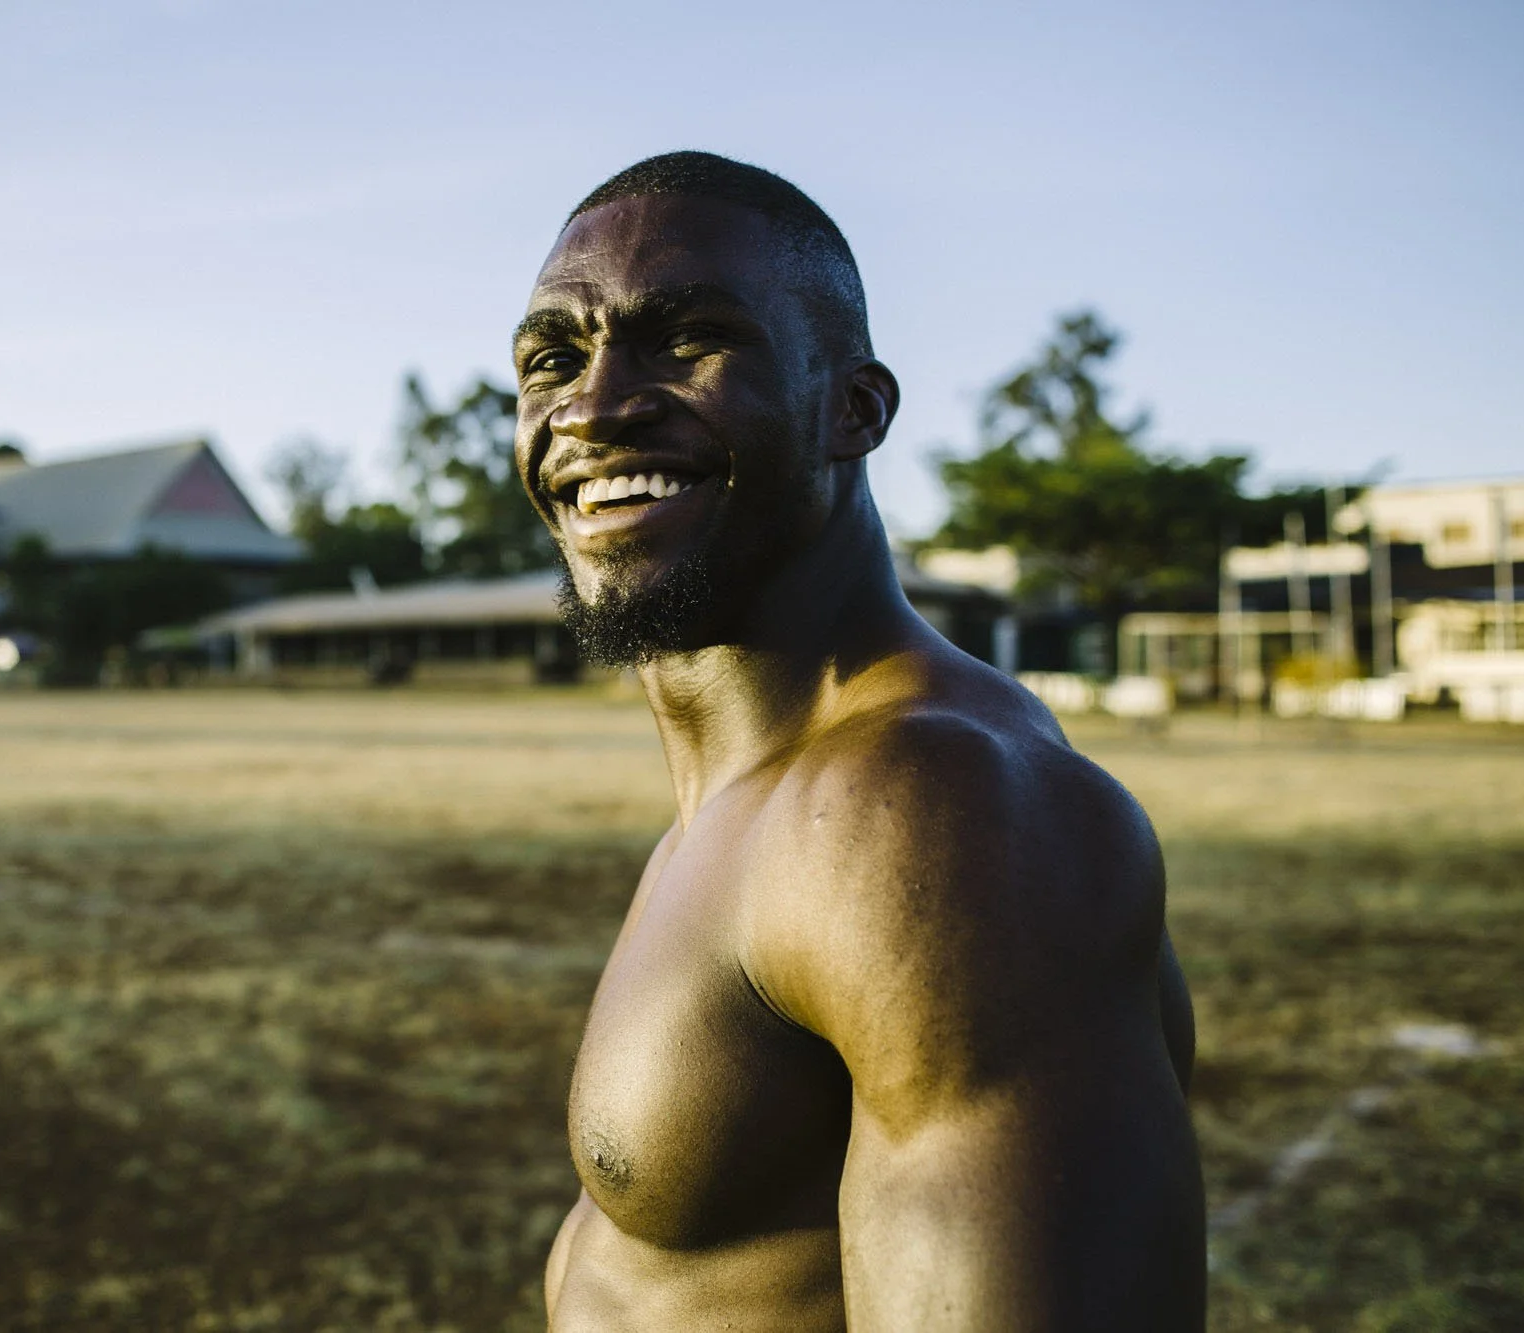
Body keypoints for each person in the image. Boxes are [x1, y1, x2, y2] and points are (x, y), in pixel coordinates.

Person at [513, 152, 1204, 1331]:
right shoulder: (767, 793)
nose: (591, 404)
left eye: (685, 340)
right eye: (552, 359)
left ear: (853, 410)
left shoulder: (925, 805)